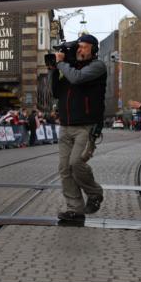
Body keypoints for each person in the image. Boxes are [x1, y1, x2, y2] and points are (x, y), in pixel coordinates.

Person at [51, 34, 107, 225]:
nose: (80, 50)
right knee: (65, 169)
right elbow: (56, 92)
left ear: (93, 49)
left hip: (86, 126)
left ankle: (94, 192)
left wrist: (61, 65)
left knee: (76, 163)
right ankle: (75, 209)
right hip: (66, 126)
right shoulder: (69, 68)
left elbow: (77, 79)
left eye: (83, 47)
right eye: (79, 47)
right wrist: (54, 69)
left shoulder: (97, 67)